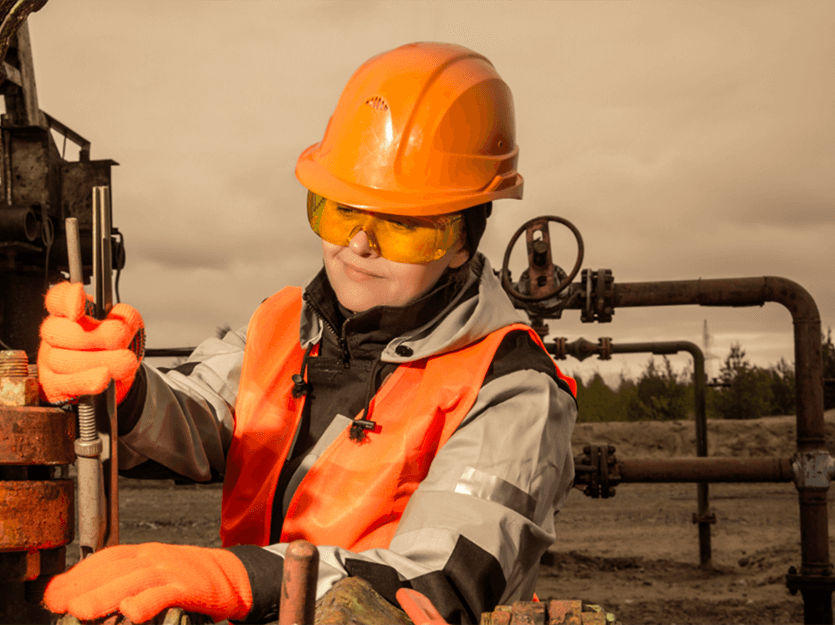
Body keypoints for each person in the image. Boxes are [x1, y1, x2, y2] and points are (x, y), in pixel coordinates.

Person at [38, 42, 578, 625]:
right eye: (340, 211)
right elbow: (203, 418)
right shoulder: (282, 320)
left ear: (462, 243)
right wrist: (120, 388)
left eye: (400, 226)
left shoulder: (513, 387)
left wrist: (240, 578)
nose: (359, 244)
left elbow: (437, 583)